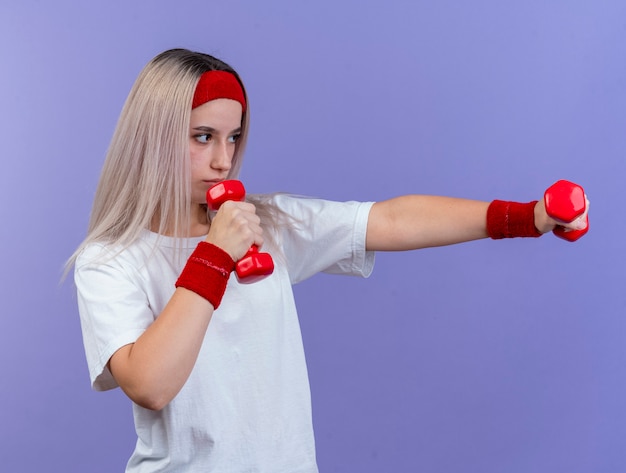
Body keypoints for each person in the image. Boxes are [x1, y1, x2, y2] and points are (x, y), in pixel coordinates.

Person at [69, 48, 589, 472]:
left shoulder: (265, 224)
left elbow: (389, 221)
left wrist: (530, 217)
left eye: (232, 138)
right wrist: (213, 255)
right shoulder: (110, 259)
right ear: (154, 138)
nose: (223, 159)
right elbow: (151, 385)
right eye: (202, 137)